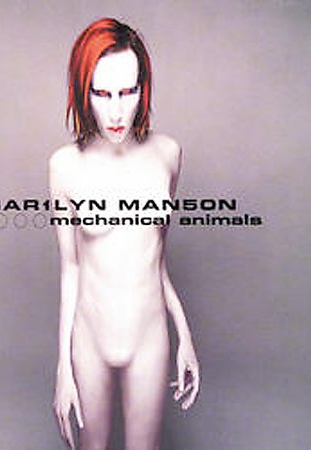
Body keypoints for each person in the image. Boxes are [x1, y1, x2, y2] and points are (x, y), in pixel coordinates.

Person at [49, 18, 200, 450]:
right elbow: (70, 269)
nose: (116, 111)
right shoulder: (64, 166)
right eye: (101, 94)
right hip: (90, 339)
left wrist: (185, 335)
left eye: (127, 91)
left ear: (143, 88)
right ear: (82, 91)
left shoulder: (168, 155)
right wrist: (63, 367)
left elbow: (156, 259)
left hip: (149, 338)